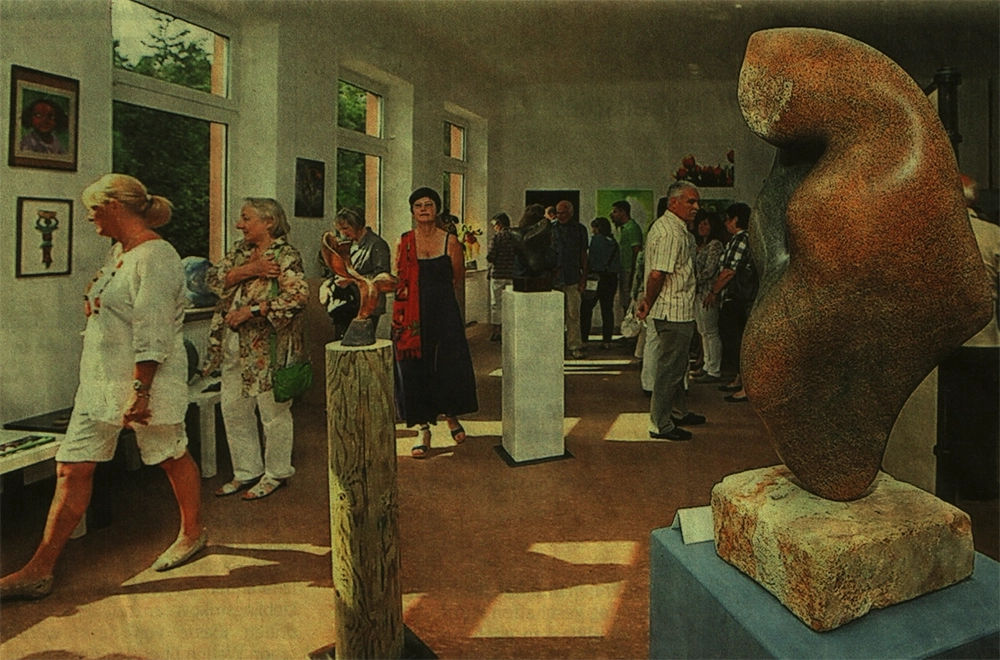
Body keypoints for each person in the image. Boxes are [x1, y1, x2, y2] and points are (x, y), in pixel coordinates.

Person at [0, 174, 205, 601]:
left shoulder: (157, 256)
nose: (90, 218)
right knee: (71, 467)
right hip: (99, 383)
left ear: (114, 207)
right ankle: (39, 569)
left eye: (93, 210)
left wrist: (140, 389)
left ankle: (192, 533)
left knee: (171, 456)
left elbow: (153, 331)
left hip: (145, 382)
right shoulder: (119, 253)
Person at [204, 198, 308, 500]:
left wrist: (251, 311)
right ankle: (246, 470)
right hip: (233, 344)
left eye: (246, 218)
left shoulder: (286, 255)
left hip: (267, 348)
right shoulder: (240, 251)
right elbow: (213, 280)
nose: (239, 224)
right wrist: (252, 269)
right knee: (233, 409)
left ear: (268, 222)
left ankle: (276, 473)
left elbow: (298, 297)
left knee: (273, 413)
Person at [393, 187, 479, 458]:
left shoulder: (450, 242)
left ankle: (451, 416)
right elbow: (399, 280)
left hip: (444, 313)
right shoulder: (404, 242)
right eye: (418, 205)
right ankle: (423, 429)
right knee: (415, 370)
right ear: (412, 211)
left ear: (437, 209)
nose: (423, 209)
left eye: (428, 204)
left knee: (448, 366)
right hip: (412, 318)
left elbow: (457, 279)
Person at [937, 174, 1000, 501]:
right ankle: (982, 486)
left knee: (949, 418)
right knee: (984, 418)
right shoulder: (995, 234)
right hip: (987, 342)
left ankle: (948, 485)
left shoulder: (938, 238)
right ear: (975, 200)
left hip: (948, 344)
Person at [636, 181, 706, 440]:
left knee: (677, 365)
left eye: (697, 202)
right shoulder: (670, 232)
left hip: (678, 309)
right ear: (673, 203)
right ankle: (660, 424)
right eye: (690, 201)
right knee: (670, 369)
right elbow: (657, 274)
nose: (696, 207)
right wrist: (648, 301)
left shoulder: (675, 228)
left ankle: (678, 411)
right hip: (672, 311)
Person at [318, 207, 391, 339]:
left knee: (359, 341)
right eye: (340, 229)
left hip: (367, 303)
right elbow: (339, 270)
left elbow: (382, 277)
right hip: (347, 304)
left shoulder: (377, 244)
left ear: (357, 225)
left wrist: (352, 280)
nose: (343, 233)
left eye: (346, 228)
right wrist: (327, 284)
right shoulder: (349, 244)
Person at [705, 202, 753, 403]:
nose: (725, 223)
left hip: (737, 298)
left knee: (738, 342)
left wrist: (714, 291)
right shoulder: (744, 238)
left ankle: (746, 387)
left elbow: (729, 271)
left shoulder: (741, 239)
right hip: (738, 298)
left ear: (736, 220)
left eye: (728, 219)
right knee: (736, 341)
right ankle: (738, 379)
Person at [690, 210, 727, 383]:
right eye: (700, 223)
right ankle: (707, 365)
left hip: (708, 293)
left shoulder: (715, 245)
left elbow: (710, 270)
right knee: (703, 331)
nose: (701, 226)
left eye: (705, 223)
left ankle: (714, 369)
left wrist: (690, 280)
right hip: (699, 293)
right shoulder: (701, 245)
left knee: (711, 332)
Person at [552, 200, 589, 359]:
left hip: (573, 277)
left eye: (563, 213)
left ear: (571, 213)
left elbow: (583, 254)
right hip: (554, 280)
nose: (560, 216)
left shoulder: (580, 230)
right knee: (555, 315)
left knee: (574, 314)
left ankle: (574, 345)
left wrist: (584, 277)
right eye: (558, 213)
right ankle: (555, 347)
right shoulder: (551, 229)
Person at [581, 216, 621, 348]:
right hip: (611, 278)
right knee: (607, 309)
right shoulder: (614, 243)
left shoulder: (596, 240)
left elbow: (592, 259)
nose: (592, 231)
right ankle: (607, 341)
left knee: (586, 308)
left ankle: (584, 339)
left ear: (598, 228)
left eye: (594, 228)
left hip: (596, 277)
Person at [486, 211, 517, 341]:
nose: (494, 227)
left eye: (494, 225)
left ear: (499, 224)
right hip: (512, 275)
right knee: (511, 303)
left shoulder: (497, 238)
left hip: (498, 274)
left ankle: (497, 330)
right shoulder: (516, 237)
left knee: (496, 303)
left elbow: (490, 256)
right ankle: (510, 330)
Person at [611, 200, 643, 318]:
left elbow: (636, 251)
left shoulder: (632, 228)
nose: (613, 215)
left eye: (615, 212)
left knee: (629, 300)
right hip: (623, 268)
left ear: (622, 212)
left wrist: (634, 273)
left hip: (629, 269)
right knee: (624, 300)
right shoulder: (623, 229)